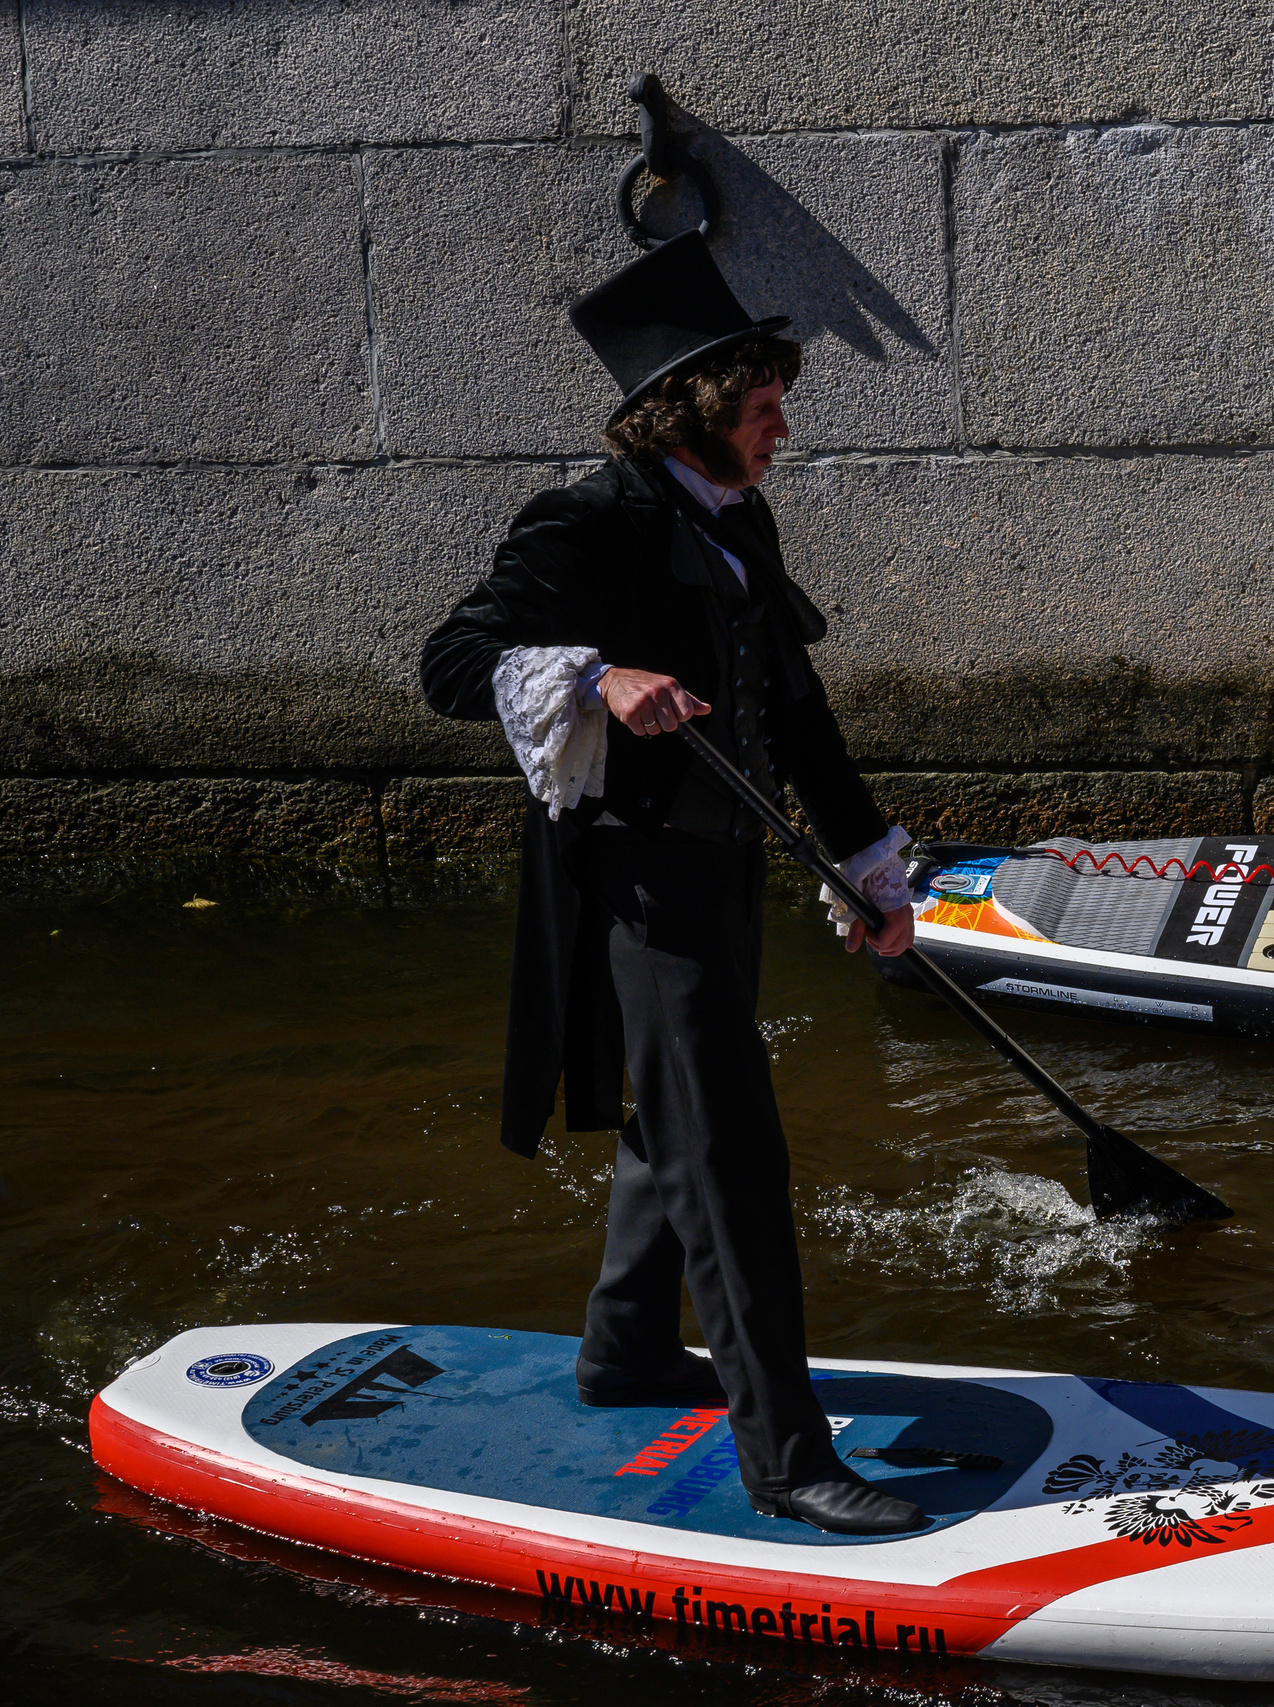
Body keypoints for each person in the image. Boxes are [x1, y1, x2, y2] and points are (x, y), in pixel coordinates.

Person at [418, 233, 928, 1536]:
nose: (782, 427)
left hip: (725, 870)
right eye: (762, 408)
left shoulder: (737, 512)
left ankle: (627, 1348)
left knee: (682, 1115)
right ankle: (788, 1457)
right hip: (637, 885)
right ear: (695, 411)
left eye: (778, 404)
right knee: (729, 1156)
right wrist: (596, 674)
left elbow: (797, 714)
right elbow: (452, 659)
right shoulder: (587, 520)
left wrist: (869, 865)